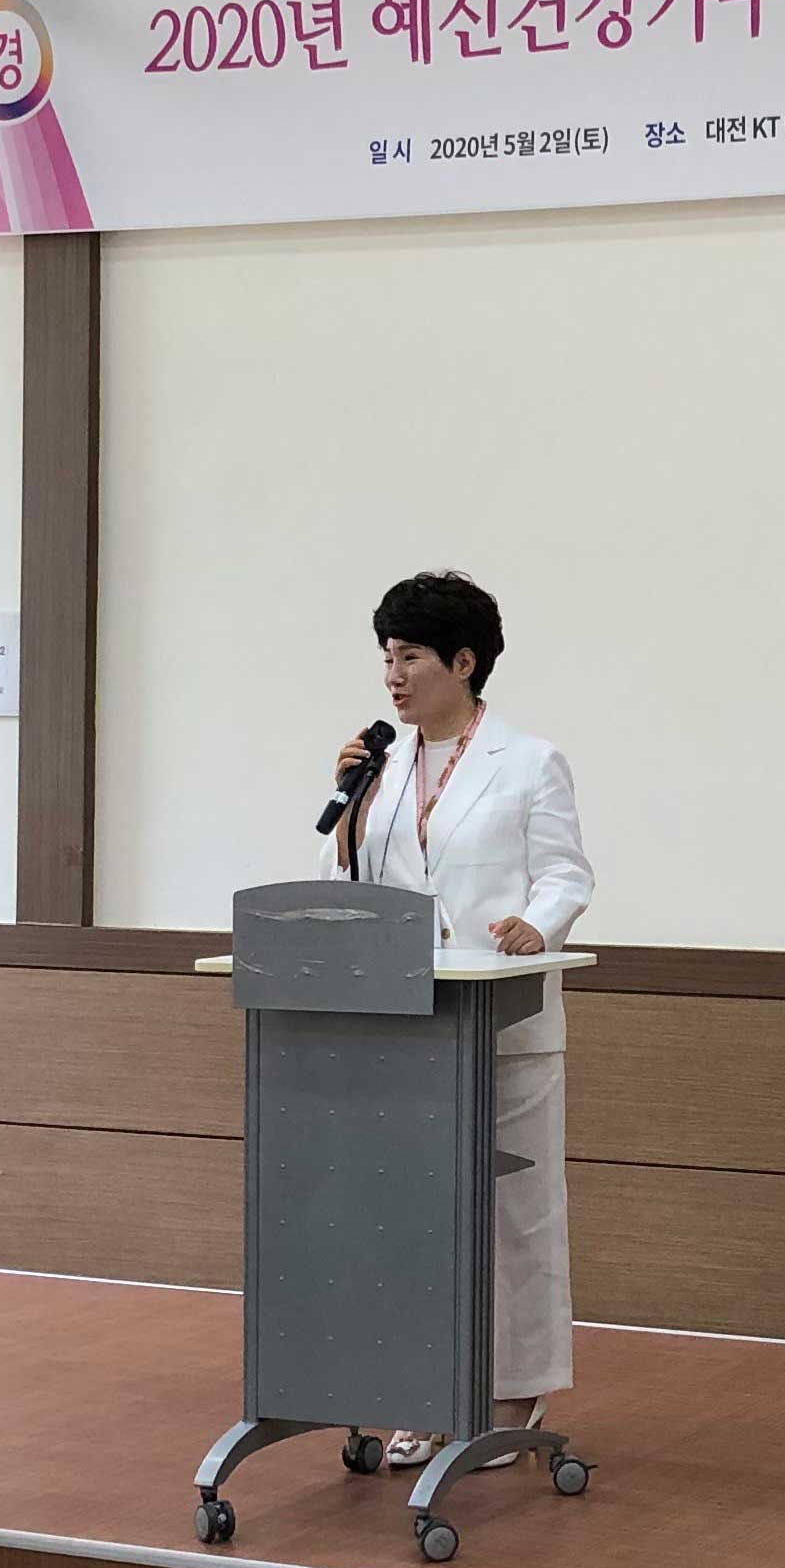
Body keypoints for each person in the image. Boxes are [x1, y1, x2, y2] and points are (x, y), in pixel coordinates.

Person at [331, 571, 593, 1469]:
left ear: (464, 662)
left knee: (515, 1212)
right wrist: (347, 807)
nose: (392, 677)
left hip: (503, 1019)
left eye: (410, 657)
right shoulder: (383, 767)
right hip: (408, 1021)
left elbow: (566, 874)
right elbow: (349, 884)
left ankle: (514, 1389)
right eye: (387, 658)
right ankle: (427, 1385)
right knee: (411, 1210)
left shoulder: (528, 761)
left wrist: (538, 925)